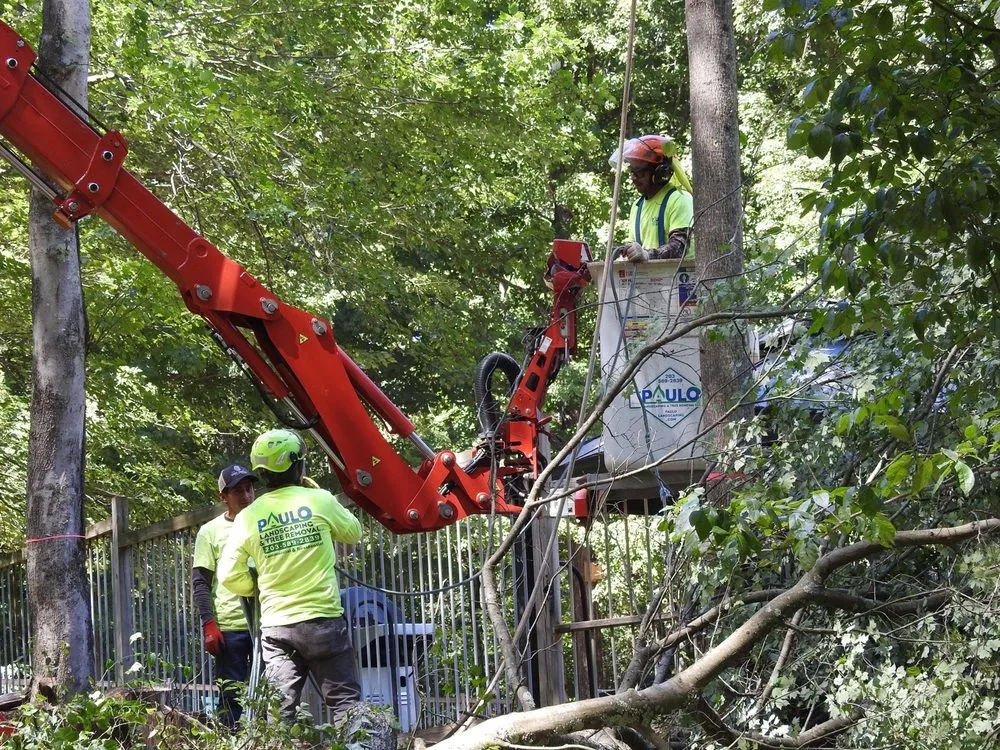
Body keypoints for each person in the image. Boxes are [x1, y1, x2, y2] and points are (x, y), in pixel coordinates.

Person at [217, 429, 363, 724]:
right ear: (297, 465)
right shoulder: (320, 500)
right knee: (345, 704)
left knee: (279, 712)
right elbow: (353, 533)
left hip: (277, 628)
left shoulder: (247, 517)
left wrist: (257, 588)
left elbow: (229, 576)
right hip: (323, 622)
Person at [192, 464, 258, 727]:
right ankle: (230, 739)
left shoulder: (264, 521)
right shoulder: (210, 532)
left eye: (249, 488)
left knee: (271, 693)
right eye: (238, 491)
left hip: (267, 621)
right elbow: (200, 581)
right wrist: (209, 623)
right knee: (231, 696)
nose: (246, 495)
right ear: (223, 497)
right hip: (230, 626)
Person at [611, 134, 695, 263]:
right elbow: (634, 247)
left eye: (639, 172)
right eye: (632, 172)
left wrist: (647, 255)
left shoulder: (679, 199)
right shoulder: (637, 206)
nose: (633, 178)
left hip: (677, 275)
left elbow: (679, 248)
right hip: (648, 276)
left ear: (660, 172)